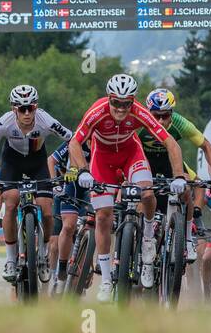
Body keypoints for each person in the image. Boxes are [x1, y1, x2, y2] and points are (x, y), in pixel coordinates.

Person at [68, 73, 179, 303]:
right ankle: (107, 280)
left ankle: (148, 239)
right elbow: (75, 142)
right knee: (103, 217)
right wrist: (83, 170)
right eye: (116, 103)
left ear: (133, 100)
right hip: (102, 160)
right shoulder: (97, 111)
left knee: (147, 193)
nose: (120, 108)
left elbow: (169, 142)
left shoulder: (139, 111)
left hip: (131, 153)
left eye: (126, 103)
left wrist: (178, 175)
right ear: (109, 98)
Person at [0, 85, 73, 284]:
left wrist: (74, 168)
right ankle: (12, 259)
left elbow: (72, 139)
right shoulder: (4, 122)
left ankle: (44, 254)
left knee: (47, 211)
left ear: (36, 106)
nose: (27, 113)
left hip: (37, 162)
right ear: (14, 109)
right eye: (22, 109)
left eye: (31, 107)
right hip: (12, 161)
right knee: (11, 203)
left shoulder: (46, 120)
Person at [139, 88, 211, 283]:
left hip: (170, 162)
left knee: (189, 185)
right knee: (139, 196)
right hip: (145, 162)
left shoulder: (179, 123)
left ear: (172, 114)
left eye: (165, 116)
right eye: (156, 116)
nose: (160, 121)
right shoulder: (140, 122)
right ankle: (136, 247)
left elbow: (206, 146)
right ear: (148, 112)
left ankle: (187, 238)